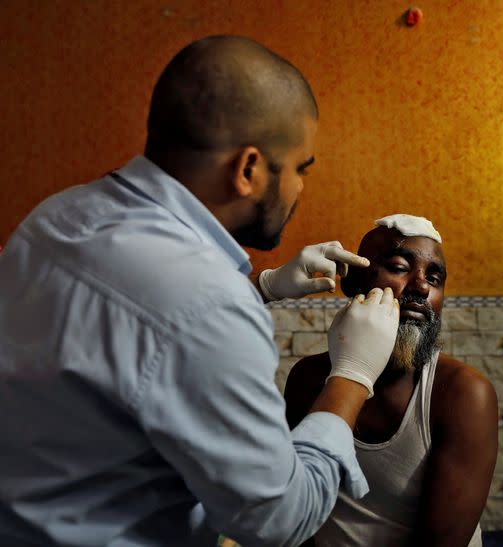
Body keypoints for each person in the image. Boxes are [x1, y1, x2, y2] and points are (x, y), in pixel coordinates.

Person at [0, 35, 401, 547]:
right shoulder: (208, 308)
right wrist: (352, 377)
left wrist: (263, 286)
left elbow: (133, 335)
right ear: (249, 169)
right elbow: (277, 521)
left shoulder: (54, 217)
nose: (301, 188)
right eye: (301, 169)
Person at [284, 214, 499, 547]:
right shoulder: (307, 380)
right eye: (400, 267)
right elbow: (296, 513)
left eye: (435, 276)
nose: (422, 286)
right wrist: (265, 286)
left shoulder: (463, 395)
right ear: (354, 283)